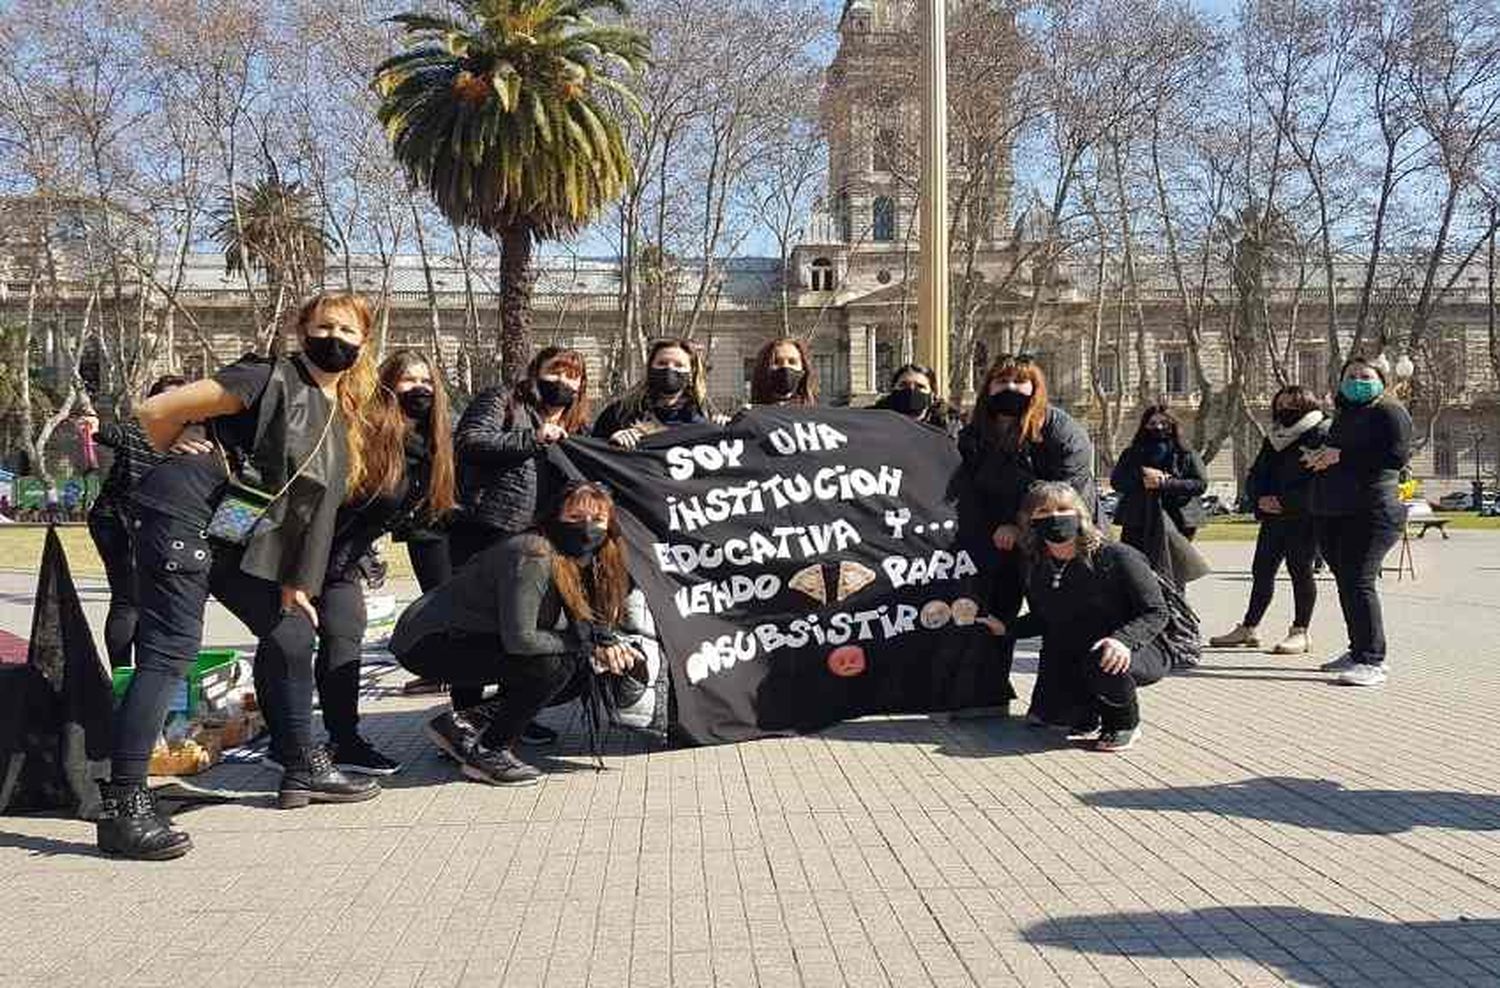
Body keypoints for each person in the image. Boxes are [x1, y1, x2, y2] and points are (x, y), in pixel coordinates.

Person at [100, 292, 381, 861]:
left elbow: (307, 510)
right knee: (171, 651)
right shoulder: (264, 376)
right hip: (181, 514)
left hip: (231, 533)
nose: (335, 338)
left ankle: (301, 763)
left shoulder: (336, 412)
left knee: (292, 632)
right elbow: (155, 411)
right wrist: (175, 444)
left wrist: (293, 583)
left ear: (364, 341)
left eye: (347, 330)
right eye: (323, 326)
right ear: (302, 331)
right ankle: (124, 808)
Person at [390, 481, 646, 785]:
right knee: (556, 665)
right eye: (575, 518)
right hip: (428, 641)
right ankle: (489, 751)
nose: (587, 528)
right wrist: (585, 644)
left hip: (472, 636)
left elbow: (586, 622)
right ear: (554, 517)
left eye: (597, 520)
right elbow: (521, 639)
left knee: (582, 667)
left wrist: (606, 644)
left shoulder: (588, 558)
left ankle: (465, 722)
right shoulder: (534, 552)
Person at [283, 349, 456, 776]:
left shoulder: (428, 448)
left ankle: (343, 741)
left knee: (345, 637)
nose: (420, 389)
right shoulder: (362, 431)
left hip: (341, 562)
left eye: (427, 381)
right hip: (296, 557)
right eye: (408, 380)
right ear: (385, 385)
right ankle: (290, 745)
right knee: (288, 647)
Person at [957, 354, 1098, 714]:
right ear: (987, 387)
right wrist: (993, 529)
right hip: (998, 539)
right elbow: (967, 490)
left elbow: (1067, 489)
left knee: (1058, 617)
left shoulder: (1059, 428)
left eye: (1020, 382)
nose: (1010, 389)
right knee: (993, 611)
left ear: (1035, 387)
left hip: (1060, 535)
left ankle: (1064, 703)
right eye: (1001, 382)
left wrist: (1021, 527)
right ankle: (988, 694)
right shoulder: (974, 434)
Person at [988, 481, 1169, 752]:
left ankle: (1123, 723)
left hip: (1134, 648)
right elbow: (1045, 618)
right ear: (1030, 521)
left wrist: (1122, 641)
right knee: (1053, 716)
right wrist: (1006, 628)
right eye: (1044, 512)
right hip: (1077, 650)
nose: (1055, 517)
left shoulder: (1117, 556)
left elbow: (1156, 611)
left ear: (1080, 514)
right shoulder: (1038, 565)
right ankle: (1086, 712)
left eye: (1064, 509)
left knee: (1101, 658)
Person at [1307, 355, 1412, 687]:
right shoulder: (1347, 415)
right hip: (1340, 508)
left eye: (1365, 375)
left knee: (1359, 581)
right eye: (1350, 375)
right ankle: (1358, 649)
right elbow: (1339, 453)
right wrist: (1322, 457)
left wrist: (1342, 456)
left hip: (1374, 509)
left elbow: (1396, 456)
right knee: (1347, 582)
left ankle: (1373, 659)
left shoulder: (1389, 411)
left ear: (1381, 379)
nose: (1356, 380)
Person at [449, 346, 590, 569]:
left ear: (580, 386)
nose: (562, 381)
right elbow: (469, 440)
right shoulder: (504, 400)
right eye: (554, 372)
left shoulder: (580, 431)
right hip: (487, 528)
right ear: (536, 373)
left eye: (571, 376)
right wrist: (533, 438)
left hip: (546, 537)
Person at [1211, 385, 1328, 653]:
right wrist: (1259, 498)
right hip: (1273, 517)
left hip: (1304, 517)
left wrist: (1288, 502)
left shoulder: (1320, 432)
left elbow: (1320, 480)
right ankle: (1249, 627)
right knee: (1262, 571)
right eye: (1281, 405)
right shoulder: (1274, 437)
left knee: (1301, 570)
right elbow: (1257, 473)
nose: (1284, 409)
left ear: (1307, 406)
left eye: (1292, 405)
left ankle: (1301, 631)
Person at [87, 374, 188, 669]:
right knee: (128, 598)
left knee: (148, 601)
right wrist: (93, 425)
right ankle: (121, 673)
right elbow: (110, 434)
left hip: (149, 525)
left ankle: (143, 674)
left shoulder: (188, 437)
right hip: (115, 522)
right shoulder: (142, 429)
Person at [1111, 404, 1208, 585]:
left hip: (1178, 519)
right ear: (1145, 425)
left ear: (1173, 424)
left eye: (1164, 422)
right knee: (1137, 570)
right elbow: (1117, 481)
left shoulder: (1186, 453)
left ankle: (1175, 609)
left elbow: (1200, 484)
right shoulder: (1132, 453)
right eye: (1153, 423)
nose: (1158, 427)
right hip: (1138, 519)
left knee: (1173, 573)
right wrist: (1142, 479)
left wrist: (1166, 483)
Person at [593, 338, 714, 447]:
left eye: (679, 365)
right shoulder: (619, 414)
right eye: (662, 363)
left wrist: (726, 431)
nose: (669, 369)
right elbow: (592, 455)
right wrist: (610, 442)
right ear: (650, 368)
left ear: (691, 373)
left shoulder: (703, 416)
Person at [871, 363, 956, 433]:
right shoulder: (874, 422)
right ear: (893, 390)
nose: (911, 390)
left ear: (933, 395)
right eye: (903, 385)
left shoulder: (949, 427)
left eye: (920, 386)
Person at [748, 337, 818, 406]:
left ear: (803, 368)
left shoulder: (815, 415)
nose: (785, 366)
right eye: (777, 362)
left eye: (792, 362)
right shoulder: (748, 415)